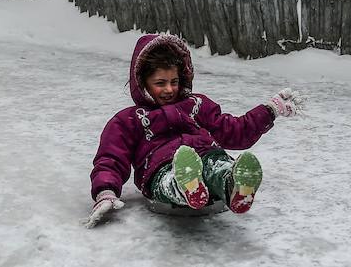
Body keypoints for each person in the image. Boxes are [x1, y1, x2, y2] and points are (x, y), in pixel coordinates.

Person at [84, 33, 305, 228]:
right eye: (160, 83)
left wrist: (270, 110)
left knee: (218, 167)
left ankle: (234, 185)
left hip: (207, 153)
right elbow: (110, 158)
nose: (169, 89)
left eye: (174, 81)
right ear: (142, 82)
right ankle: (185, 186)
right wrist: (105, 192)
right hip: (160, 167)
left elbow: (234, 131)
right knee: (169, 180)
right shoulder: (130, 119)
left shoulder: (197, 105)